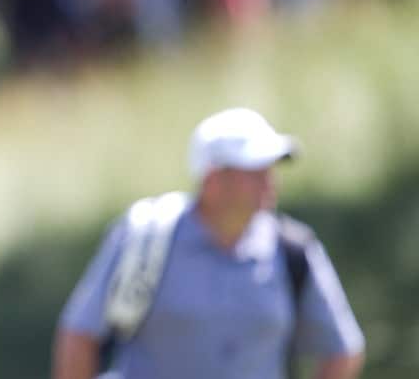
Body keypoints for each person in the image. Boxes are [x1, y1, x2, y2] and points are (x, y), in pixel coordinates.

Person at [52, 107, 365, 379]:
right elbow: (79, 336)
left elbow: (343, 351)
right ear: (213, 179)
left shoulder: (294, 250)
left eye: (269, 169)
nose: (270, 181)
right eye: (254, 171)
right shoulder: (147, 237)